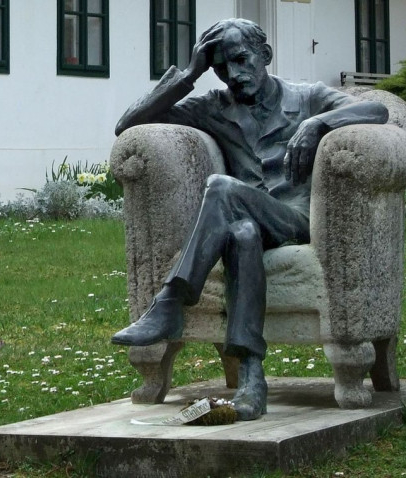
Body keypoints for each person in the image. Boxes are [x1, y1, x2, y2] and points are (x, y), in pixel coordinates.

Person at [110, 18, 389, 421]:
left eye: (242, 60)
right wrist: (189, 74)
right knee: (241, 234)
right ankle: (251, 379)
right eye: (222, 67)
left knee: (222, 187)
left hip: (295, 219)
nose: (234, 74)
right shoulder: (214, 107)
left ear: (265, 55)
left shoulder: (307, 97)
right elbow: (128, 126)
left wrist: (319, 123)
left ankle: (170, 302)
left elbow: (377, 110)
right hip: (249, 222)